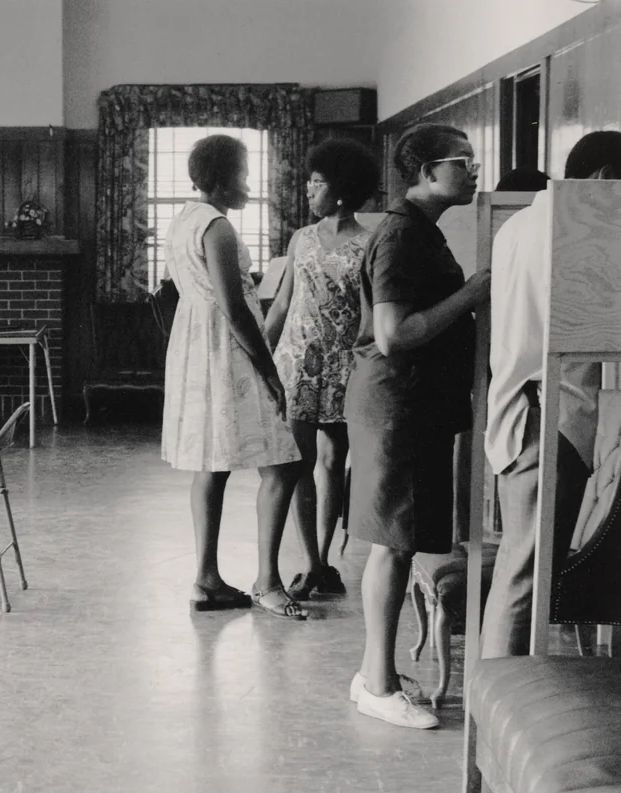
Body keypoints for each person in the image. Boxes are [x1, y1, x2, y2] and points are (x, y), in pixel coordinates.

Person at [344, 123, 490, 729]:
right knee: (392, 544)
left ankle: (373, 674)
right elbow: (395, 333)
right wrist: (478, 290)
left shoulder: (419, 231)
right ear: (428, 172)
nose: (474, 171)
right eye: (464, 161)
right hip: (395, 402)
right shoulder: (403, 235)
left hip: (409, 404)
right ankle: (377, 685)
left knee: (398, 544)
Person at [480, 132, 621, 658]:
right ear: (607, 179)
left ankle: (495, 703)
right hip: (551, 412)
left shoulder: (520, 223)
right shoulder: (577, 231)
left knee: (522, 571)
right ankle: (496, 711)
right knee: (525, 578)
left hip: (526, 407)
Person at [160, 134, 305, 620]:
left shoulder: (183, 221)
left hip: (196, 345)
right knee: (282, 466)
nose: (248, 185)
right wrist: (269, 370)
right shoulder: (217, 227)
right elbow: (235, 309)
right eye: (243, 175)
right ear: (222, 180)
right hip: (225, 347)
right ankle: (267, 580)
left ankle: (206, 580)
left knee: (212, 463)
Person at [264, 138, 380, 601]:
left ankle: (323, 559)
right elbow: (283, 304)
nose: (308, 191)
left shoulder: (369, 244)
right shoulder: (302, 238)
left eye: (316, 183)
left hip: (345, 364)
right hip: (295, 363)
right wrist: (261, 357)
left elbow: (372, 314)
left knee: (334, 463)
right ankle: (311, 561)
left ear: (340, 189)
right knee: (297, 465)